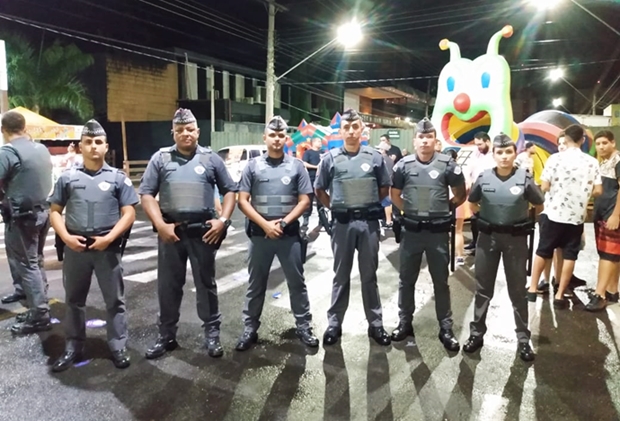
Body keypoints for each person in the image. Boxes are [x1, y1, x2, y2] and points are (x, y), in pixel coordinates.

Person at [139, 108, 238, 358]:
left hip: (204, 233)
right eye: (180, 129)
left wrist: (223, 221)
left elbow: (230, 191)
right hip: (170, 232)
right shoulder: (160, 159)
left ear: (198, 131)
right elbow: (146, 194)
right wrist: (160, 225)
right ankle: (166, 336)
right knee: (168, 287)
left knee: (206, 285)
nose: (186, 133)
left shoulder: (211, 159)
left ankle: (212, 335)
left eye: (190, 129)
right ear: (173, 132)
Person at [48, 120, 138, 372]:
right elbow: (55, 211)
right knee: (74, 301)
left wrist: (110, 238)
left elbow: (129, 212)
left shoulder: (117, 178)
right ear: (80, 147)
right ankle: (73, 346)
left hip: (106, 248)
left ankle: (118, 346)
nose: (93, 147)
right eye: (88, 142)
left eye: (98, 142)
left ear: (106, 146)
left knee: (114, 301)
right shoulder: (68, 178)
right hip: (75, 247)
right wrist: (66, 237)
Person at [235, 116, 318, 350]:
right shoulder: (252, 166)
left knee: (296, 283)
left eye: (281, 135)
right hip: (260, 235)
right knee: (256, 284)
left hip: (287, 236)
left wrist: (282, 223)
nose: (277, 139)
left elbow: (304, 200)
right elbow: (243, 201)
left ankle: (304, 326)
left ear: (286, 138)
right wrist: (265, 225)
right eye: (272, 135)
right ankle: (249, 328)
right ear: (265, 138)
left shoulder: (296, 166)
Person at [314, 108, 392, 346]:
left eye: (354, 127)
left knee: (369, 276)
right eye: (346, 127)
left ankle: (376, 325)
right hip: (342, 225)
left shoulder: (375, 157)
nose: (350, 131)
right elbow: (320, 190)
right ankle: (334, 324)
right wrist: (337, 207)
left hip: (368, 224)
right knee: (341, 276)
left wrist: (365, 205)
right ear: (341, 130)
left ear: (362, 130)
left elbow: (384, 188)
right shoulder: (329, 158)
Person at [464, 133, 543, 362]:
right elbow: (472, 203)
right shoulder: (484, 177)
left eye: (508, 152)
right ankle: (476, 334)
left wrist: (523, 222)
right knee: (482, 290)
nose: (504, 156)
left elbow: (538, 204)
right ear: (494, 154)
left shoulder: (524, 178)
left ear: (514, 153)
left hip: (515, 241)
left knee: (518, 291)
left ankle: (523, 339)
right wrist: (487, 221)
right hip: (488, 239)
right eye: (500, 152)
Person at [389, 118, 466, 351]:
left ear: (435, 140)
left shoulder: (448, 165)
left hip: (437, 233)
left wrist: (443, 208)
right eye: (421, 137)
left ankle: (446, 328)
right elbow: (395, 194)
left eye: (429, 137)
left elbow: (460, 194)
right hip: (411, 231)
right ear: (415, 141)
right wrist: (407, 210)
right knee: (406, 280)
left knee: (440, 282)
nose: (424, 141)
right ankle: (405, 323)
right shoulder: (403, 165)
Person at [527, 124, 602, 308]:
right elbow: (598, 190)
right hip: (576, 216)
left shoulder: (555, 159)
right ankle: (560, 295)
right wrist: (582, 192)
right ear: (582, 140)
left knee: (543, 251)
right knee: (570, 255)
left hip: (553, 213)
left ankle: (533, 289)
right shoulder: (592, 162)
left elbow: (544, 186)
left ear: (566, 139)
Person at [0, 111, 53, 334]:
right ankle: (25, 291)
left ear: (4, 130)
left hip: (22, 217)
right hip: (43, 212)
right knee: (34, 259)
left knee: (28, 263)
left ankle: (40, 314)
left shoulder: (7, 152)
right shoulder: (40, 148)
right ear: (24, 127)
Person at [587, 130, 620, 311]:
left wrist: (616, 215)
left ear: (613, 143)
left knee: (608, 255)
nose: (600, 147)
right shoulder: (604, 163)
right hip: (602, 215)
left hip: (612, 216)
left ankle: (599, 295)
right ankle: (612, 290)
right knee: (612, 255)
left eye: (604, 143)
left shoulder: (618, 161)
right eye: (598, 144)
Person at [464, 132, 494, 254]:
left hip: (490, 191)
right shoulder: (476, 154)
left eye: (480, 144)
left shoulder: (495, 155)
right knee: (474, 219)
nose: (478, 147)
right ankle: (475, 242)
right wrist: (468, 180)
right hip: (476, 189)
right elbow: (467, 169)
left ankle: (484, 245)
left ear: (487, 141)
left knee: (486, 219)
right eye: (476, 144)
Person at [301, 137, 324, 231]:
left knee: (321, 201)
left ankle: (322, 220)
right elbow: (304, 163)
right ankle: (305, 221)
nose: (320, 143)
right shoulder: (308, 153)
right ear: (313, 143)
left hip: (321, 180)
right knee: (309, 200)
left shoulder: (323, 153)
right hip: (311, 180)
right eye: (318, 141)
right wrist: (316, 167)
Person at [377, 141, 395, 228]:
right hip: (390, 183)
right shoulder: (390, 160)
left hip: (386, 184)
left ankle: (388, 221)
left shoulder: (383, 160)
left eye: (380, 149)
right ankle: (388, 219)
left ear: (383, 150)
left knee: (386, 202)